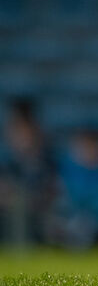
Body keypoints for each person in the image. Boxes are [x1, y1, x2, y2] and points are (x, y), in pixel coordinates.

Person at [0, 97, 60, 245]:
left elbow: (52, 190)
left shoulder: (46, 162)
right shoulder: (6, 163)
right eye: (19, 134)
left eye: (27, 134)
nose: (23, 139)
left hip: (38, 211)